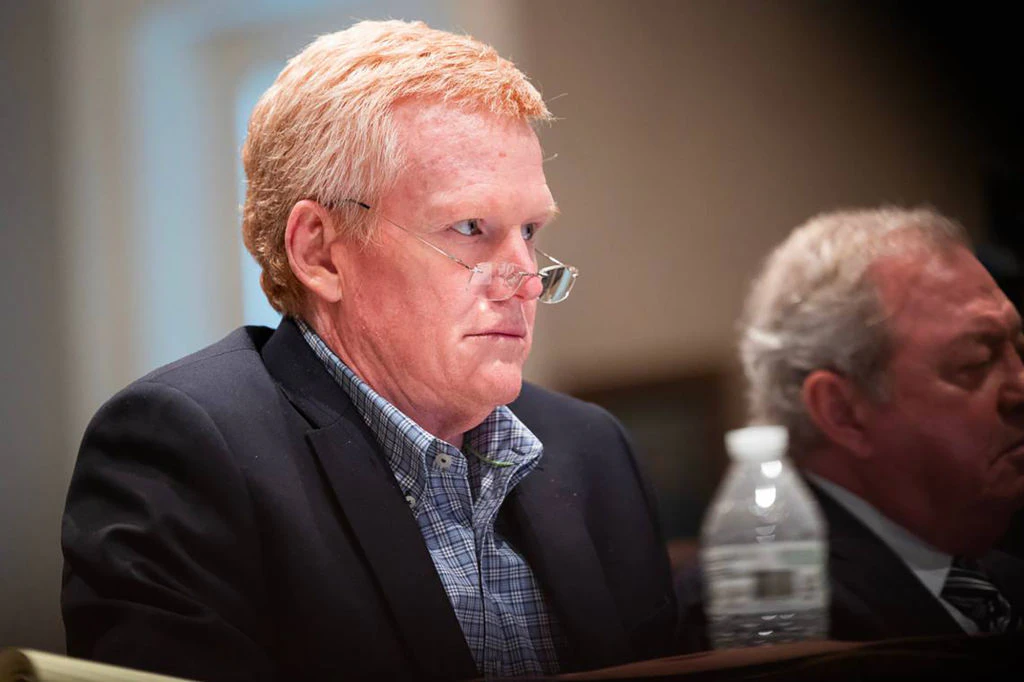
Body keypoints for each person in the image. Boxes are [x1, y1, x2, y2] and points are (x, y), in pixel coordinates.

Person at [61, 20, 677, 681]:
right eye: (471, 228)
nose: (526, 279)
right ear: (320, 251)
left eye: (530, 230)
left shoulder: (593, 450)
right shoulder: (184, 450)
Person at [682, 207, 1024, 645]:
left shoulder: (1004, 578)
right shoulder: (768, 614)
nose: (1018, 388)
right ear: (842, 411)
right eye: (975, 362)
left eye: (1018, 346)